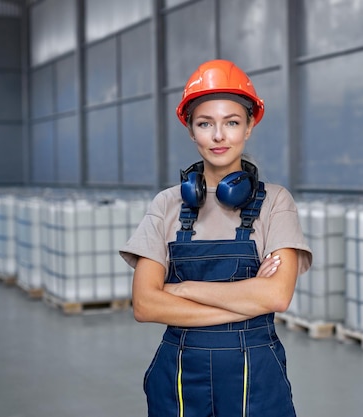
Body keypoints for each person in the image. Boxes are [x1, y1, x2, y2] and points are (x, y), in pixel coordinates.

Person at [120, 59, 312, 417]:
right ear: (191, 131)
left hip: (256, 373)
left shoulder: (275, 202)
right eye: (205, 123)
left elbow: (276, 295)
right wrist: (243, 298)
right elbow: (146, 305)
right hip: (179, 372)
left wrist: (179, 289)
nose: (219, 135)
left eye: (232, 122)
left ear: (249, 127)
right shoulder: (167, 204)